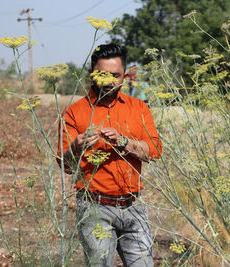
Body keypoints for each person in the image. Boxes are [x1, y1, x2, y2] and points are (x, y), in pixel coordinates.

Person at [57, 43, 161, 266]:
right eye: (103, 74)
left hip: (134, 206)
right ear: (91, 73)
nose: (109, 81)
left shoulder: (139, 108)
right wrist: (76, 146)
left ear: (124, 76)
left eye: (115, 75)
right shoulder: (75, 112)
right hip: (94, 209)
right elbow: (65, 166)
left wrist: (123, 142)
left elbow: (154, 151)